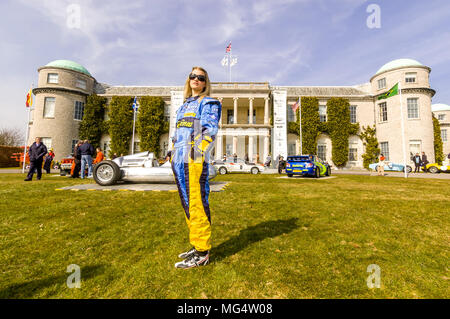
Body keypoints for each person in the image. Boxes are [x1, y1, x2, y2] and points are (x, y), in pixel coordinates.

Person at [170, 66, 221, 269]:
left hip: (194, 160)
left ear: (205, 83)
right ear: (188, 79)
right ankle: (196, 242)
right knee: (187, 202)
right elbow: (178, 133)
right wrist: (173, 151)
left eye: (201, 77)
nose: (196, 80)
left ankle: (202, 252)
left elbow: (208, 130)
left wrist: (195, 153)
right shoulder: (183, 106)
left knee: (197, 202)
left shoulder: (207, 102)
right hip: (178, 159)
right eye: (193, 76)